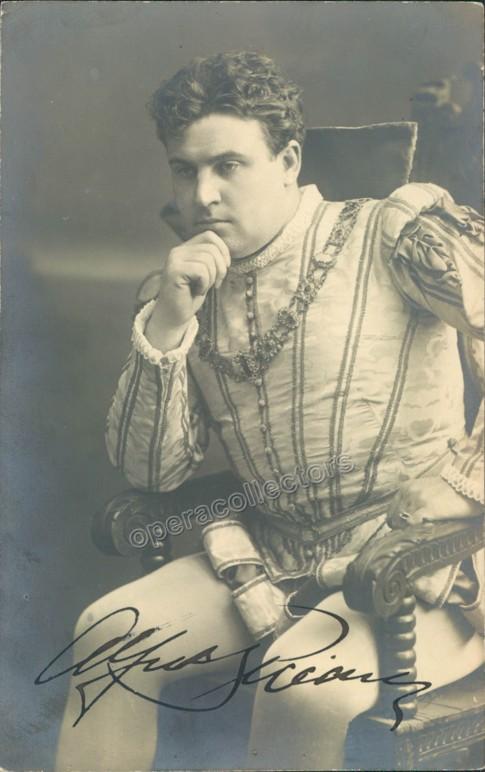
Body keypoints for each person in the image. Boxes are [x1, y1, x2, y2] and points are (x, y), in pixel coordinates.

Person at [56, 52, 484, 771]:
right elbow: (152, 475)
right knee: (108, 635)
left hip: (418, 561)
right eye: (185, 171)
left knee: (301, 681)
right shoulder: (184, 285)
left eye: (229, 166)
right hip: (272, 552)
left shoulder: (391, 234)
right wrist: (168, 324)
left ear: (288, 161)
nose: (203, 195)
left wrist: (461, 488)